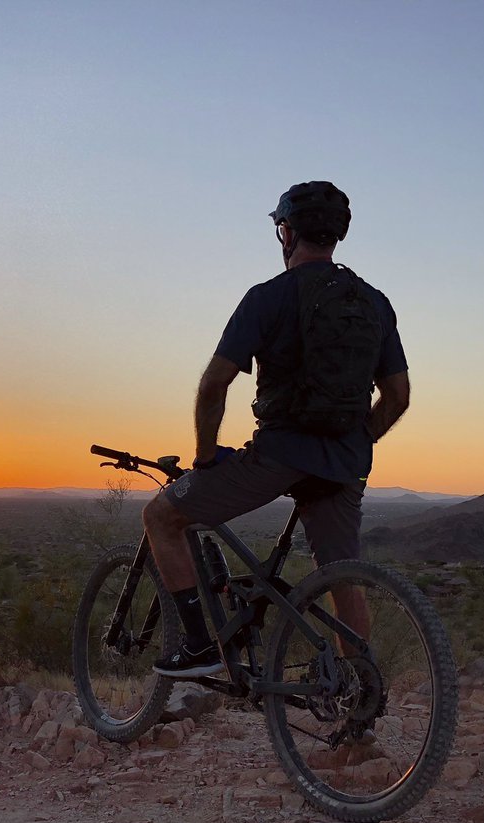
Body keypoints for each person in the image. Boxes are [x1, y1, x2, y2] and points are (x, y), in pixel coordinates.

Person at [142, 181, 411, 678]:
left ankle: (200, 646)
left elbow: (213, 386)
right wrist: (354, 441)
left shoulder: (268, 297)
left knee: (161, 517)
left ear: (286, 233)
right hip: (345, 463)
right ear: (336, 236)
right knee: (340, 576)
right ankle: (359, 696)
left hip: (279, 455)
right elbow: (397, 398)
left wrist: (204, 456)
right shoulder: (375, 303)